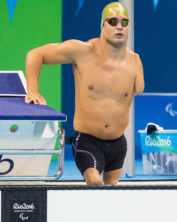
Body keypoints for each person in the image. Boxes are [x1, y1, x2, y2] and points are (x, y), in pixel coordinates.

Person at [24, 2, 144, 185]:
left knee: (112, 195)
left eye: (124, 22)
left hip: (119, 144)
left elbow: (139, 91)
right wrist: (32, 90)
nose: (119, 26)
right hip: (88, 141)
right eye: (113, 21)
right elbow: (35, 55)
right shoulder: (82, 52)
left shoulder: (135, 61)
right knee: (95, 182)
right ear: (102, 25)